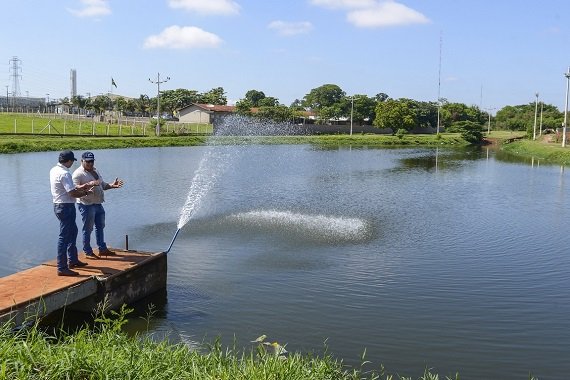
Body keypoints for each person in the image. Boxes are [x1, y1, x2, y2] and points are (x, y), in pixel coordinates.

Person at [50, 150, 96, 276]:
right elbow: (71, 193)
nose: (72, 163)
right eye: (72, 161)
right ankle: (62, 267)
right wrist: (86, 193)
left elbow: (67, 188)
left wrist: (82, 187)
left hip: (59, 205)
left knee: (73, 232)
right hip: (66, 207)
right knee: (64, 236)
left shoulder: (54, 170)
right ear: (69, 161)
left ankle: (73, 260)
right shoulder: (65, 173)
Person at [73, 151, 124, 259]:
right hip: (86, 204)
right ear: (82, 161)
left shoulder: (95, 170)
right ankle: (87, 251)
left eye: (92, 161)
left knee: (100, 226)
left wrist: (112, 185)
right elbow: (74, 189)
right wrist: (89, 184)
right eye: (88, 162)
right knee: (88, 228)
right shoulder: (78, 174)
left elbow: (103, 185)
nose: (90, 164)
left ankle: (102, 249)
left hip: (98, 203)